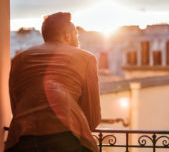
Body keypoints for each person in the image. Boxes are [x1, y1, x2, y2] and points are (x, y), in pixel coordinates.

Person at [5, 12, 101, 152]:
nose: (77, 39)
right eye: (76, 34)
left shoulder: (20, 58)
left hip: (21, 139)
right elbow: (92, 119)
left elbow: (16, 107)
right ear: (68, 36)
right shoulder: (86, 59)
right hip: (67, 139)